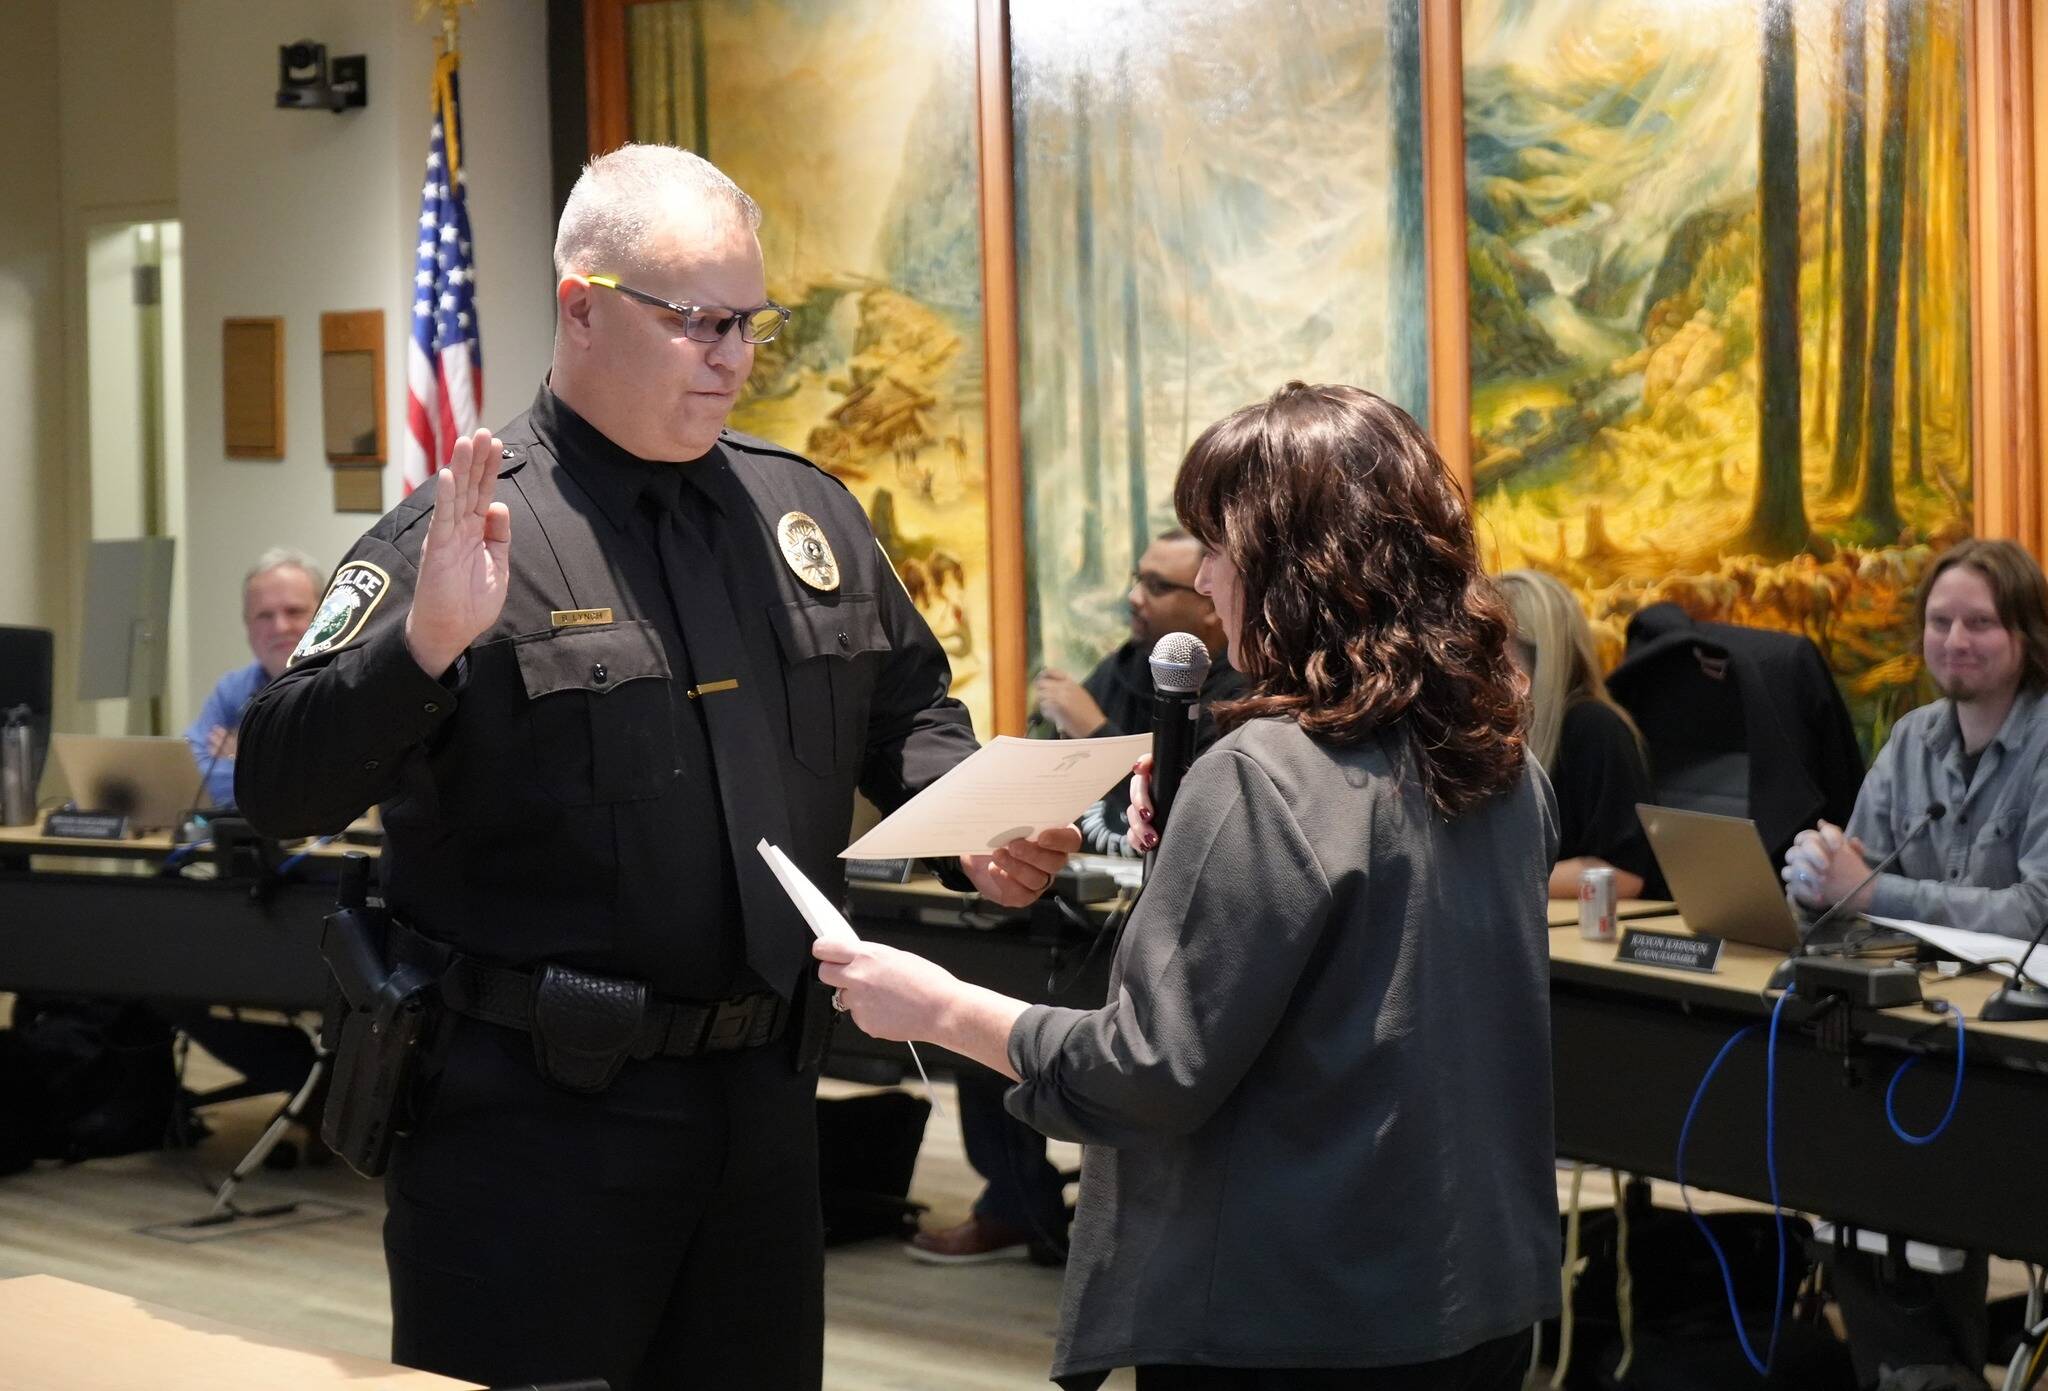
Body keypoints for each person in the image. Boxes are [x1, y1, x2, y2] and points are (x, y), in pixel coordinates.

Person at [234, 145, 1076, 1391]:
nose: (732, 354)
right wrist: (422, 645)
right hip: (533, 1127)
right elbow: (277, 786)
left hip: (764, 1110)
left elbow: (902, 709)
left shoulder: (804, 518)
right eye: (695, 321)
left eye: (748, 322)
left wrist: (968, 827)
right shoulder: (467, 532)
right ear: (582, 305)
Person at [821, 383, 1562, 1389]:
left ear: (1294, 566)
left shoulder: (1261, 774)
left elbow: (1147, 1069)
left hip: (1294, 1320)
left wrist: (940, 1006)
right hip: (1475, 1299)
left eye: (1215, 545)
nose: (1205, 581)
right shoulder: (1504, 766)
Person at [916, 529, 1249, 1267]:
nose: (1136, 596)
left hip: (1185, 927)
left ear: (1209, 611)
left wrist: (1093, 731)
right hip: (1092, 901)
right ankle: (1015, 1203)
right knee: (995, 986)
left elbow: (1186, 810)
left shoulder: (1240, 685)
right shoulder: (1130, 665)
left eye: (1158, 585)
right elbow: (1084, 796)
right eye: (1139, 579)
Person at [1781, 537, 2048, 1391]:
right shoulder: (1910, 740)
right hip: (1912, 1030)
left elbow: (2032, 916)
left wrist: (1874, 894)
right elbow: (1859, 880)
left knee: (1935, 1195)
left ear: (2026, 635)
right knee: (1854, 1185)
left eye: (1979, 623)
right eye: (1940, 622)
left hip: (2019, 1050)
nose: (1954, 641)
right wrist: (1814, 879)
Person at [1498, 568, 1663, 900]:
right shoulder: (1491, 731)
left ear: (1536, 654)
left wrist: (1494, 884)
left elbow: (1622, 873)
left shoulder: (1595, 729)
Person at [181, 548, 321, 807]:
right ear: (247, 625)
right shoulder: (232, 690)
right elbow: (190, 780)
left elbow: (334, 788)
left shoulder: (352, 685)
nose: (280, 627)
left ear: (324, 614)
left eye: (294, 611)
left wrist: (242, 758)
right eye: (264, 616)